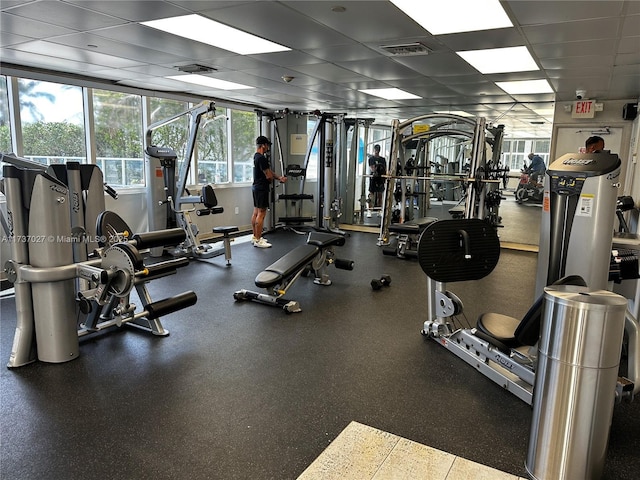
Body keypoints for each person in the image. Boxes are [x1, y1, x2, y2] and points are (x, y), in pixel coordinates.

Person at [251, 135, 286, 248]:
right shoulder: (262, 158)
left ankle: (255, 237)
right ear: (263, 145)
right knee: (261, 213)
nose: (267, 148)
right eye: (267, 145)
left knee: (256, 212)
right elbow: (268, 175)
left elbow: (268, 171)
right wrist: (272, 180)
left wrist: (279, 177)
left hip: (256, 187)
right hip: (261, 188)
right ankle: (258, 239)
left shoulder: (256, 157)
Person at [367, 144, 386, 216]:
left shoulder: (382, 159)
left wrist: (384, 177)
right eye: (375, 150)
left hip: (380, 178)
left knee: (380, 195)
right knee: (371, 194)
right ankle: (369, 210)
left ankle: (379, 210)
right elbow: (372, 167)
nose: (376, 152)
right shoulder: (371, 159)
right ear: (374, 150)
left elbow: (384, 169)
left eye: (377, 150)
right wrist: (375, 170)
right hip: (373, 178)